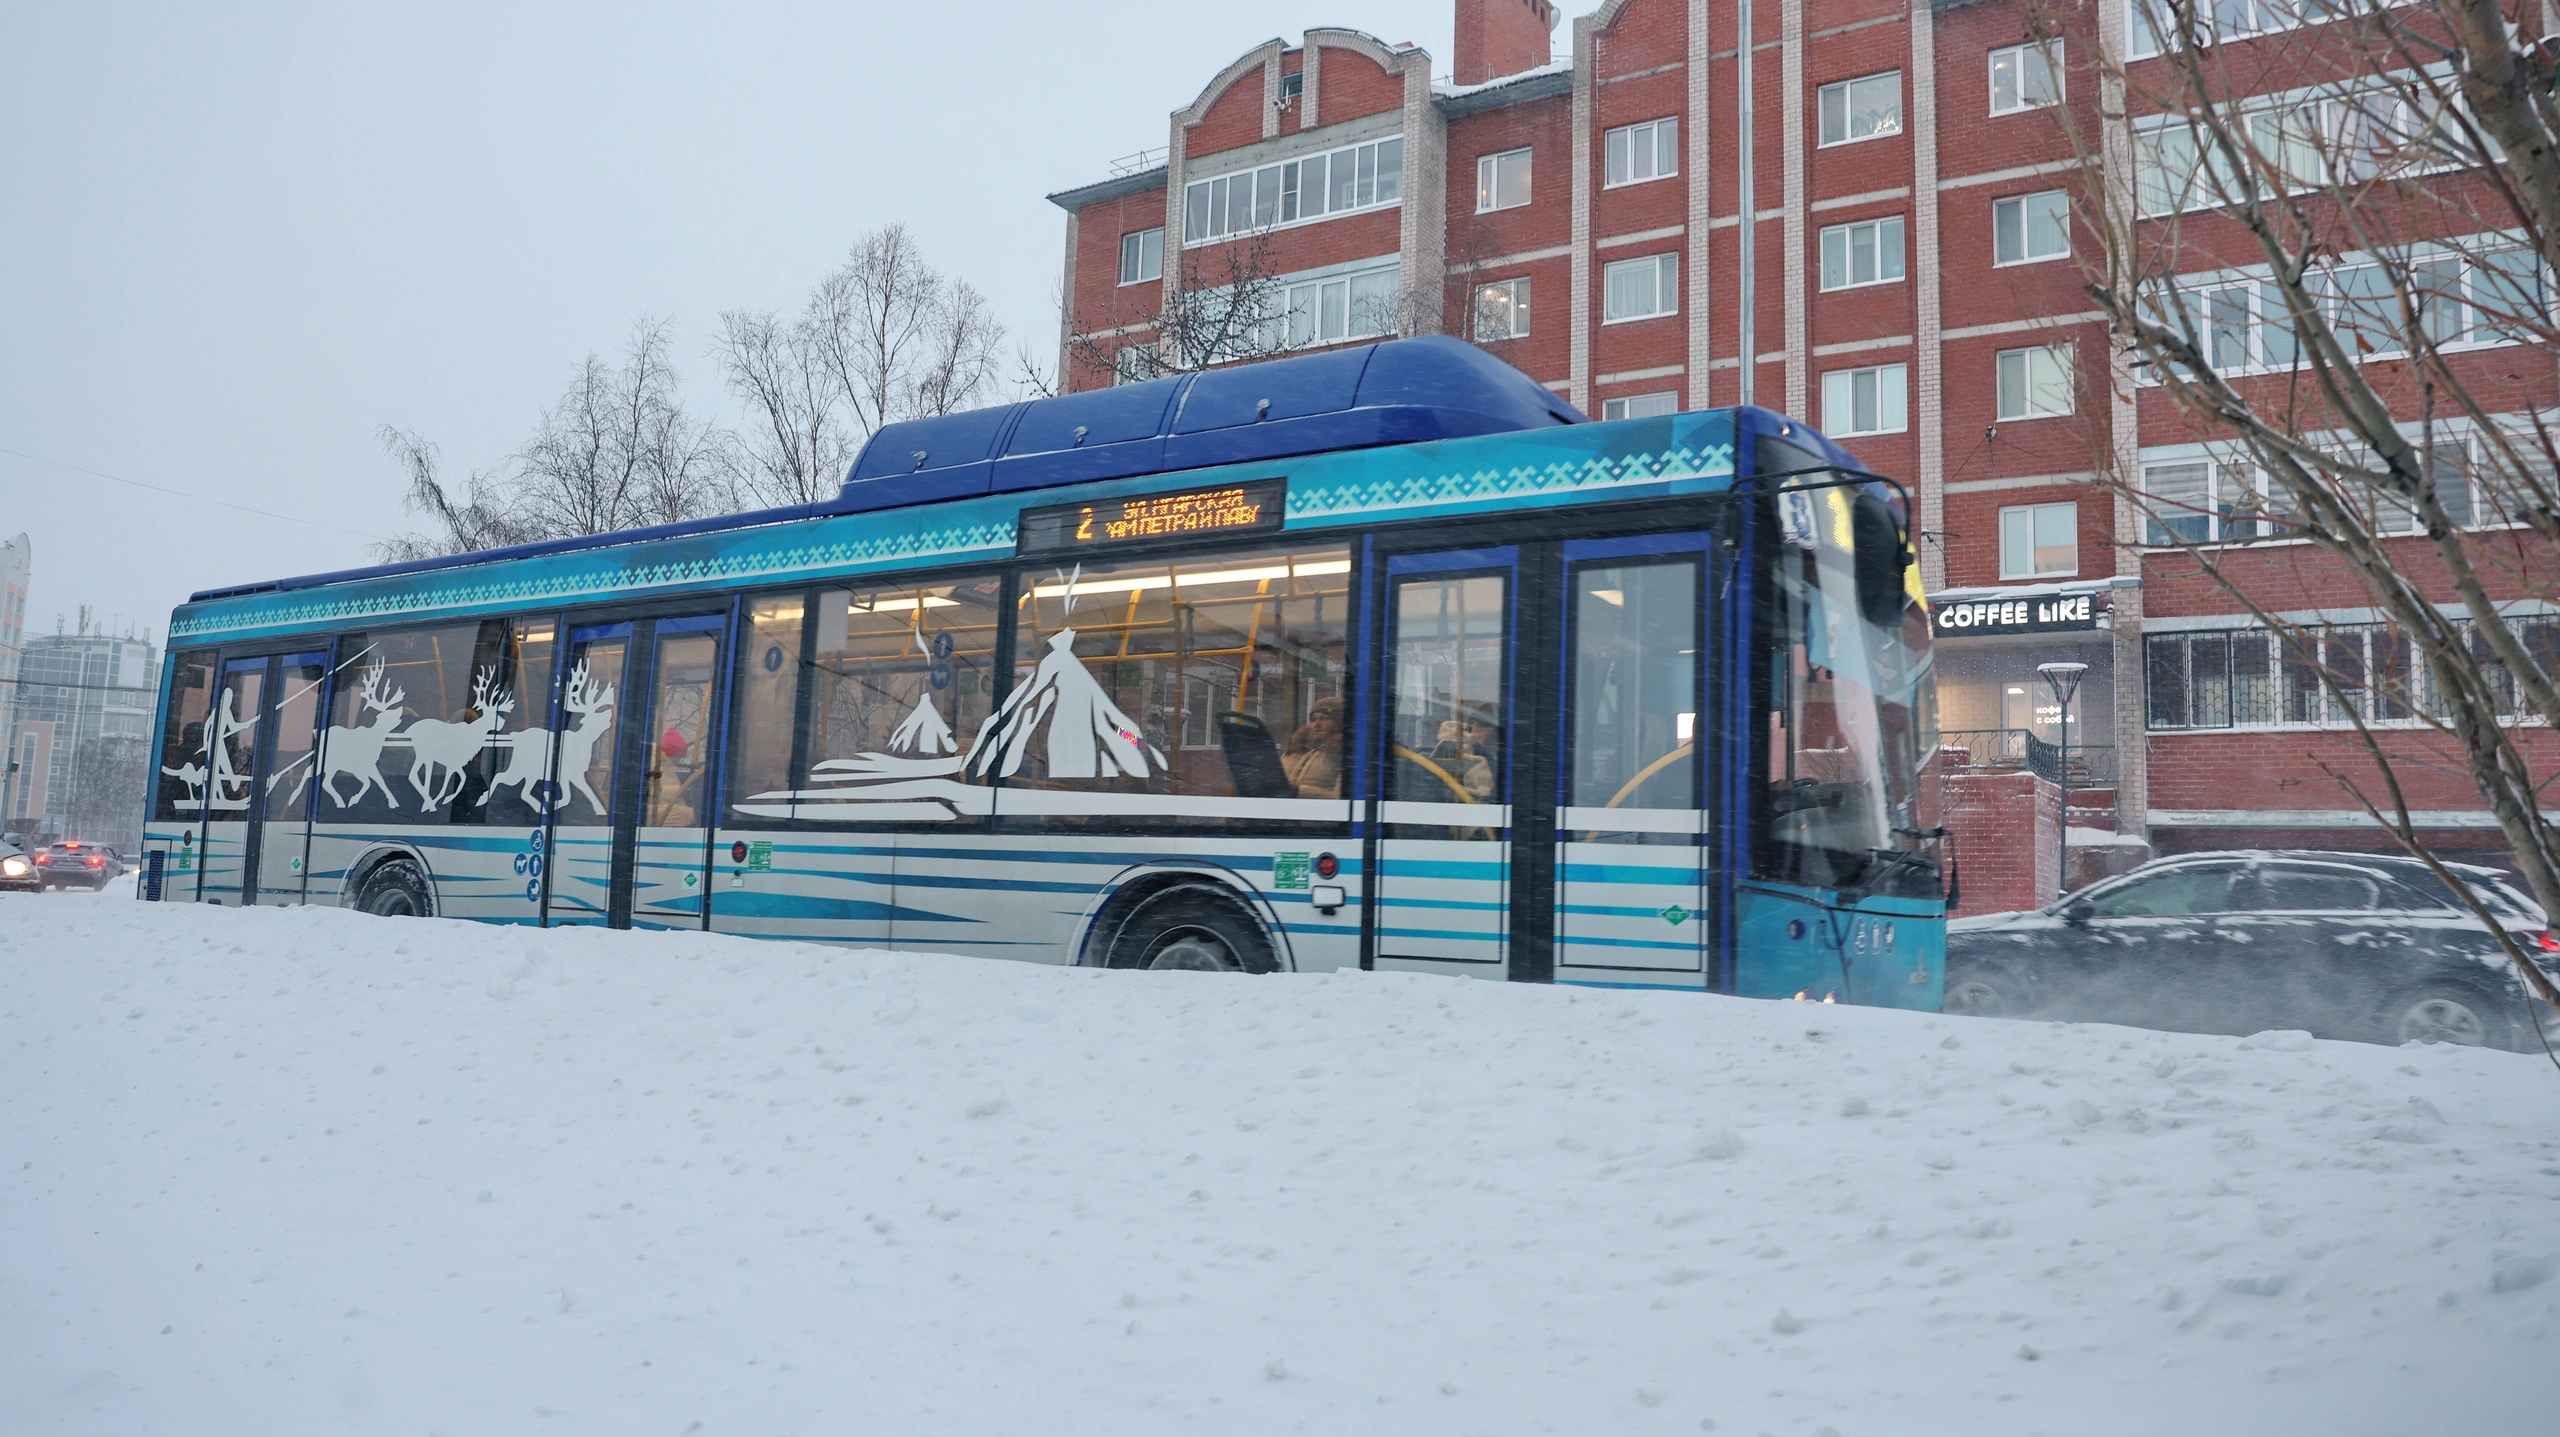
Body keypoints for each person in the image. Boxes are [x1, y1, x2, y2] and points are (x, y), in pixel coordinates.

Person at [1281, 696, 1343, 799]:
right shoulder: (1293, 752)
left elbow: (1339, 798)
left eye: (1324, 718)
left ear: (1338, 723)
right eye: (1314, 719)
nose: (1316, 724)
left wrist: (1300, 790)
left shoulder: (1340, 755)